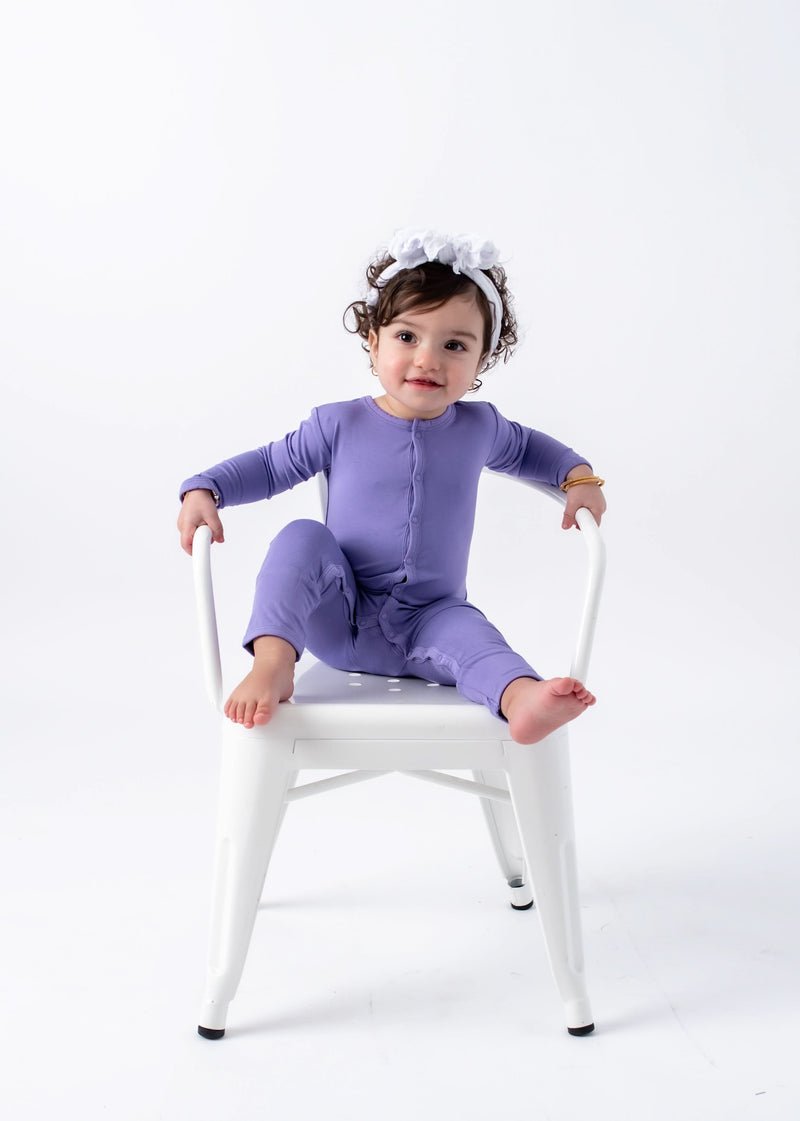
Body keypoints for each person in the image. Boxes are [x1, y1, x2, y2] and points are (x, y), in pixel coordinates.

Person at [177, 230, 606, 745]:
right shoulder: (338, 424)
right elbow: (270, 466)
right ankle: (272, 661)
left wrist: (578, 476)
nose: (428, 359)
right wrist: (206, 488)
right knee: (302, 536)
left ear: (481, 360)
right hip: (340, 613)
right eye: (407, 337)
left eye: (454, 345)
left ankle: (521, 698)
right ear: (373, 340)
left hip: (433, 617)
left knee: (478, 639)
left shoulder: (480, 427)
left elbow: (532, 450)